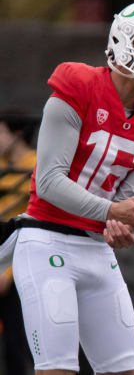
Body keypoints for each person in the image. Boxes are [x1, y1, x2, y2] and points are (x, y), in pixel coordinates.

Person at [8, 0, 134, 374]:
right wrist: (111, 212)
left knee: (123, 370)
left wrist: (120, 224)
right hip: (46, 240)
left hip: (94, 250)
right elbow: (50, 181)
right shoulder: (79, 84)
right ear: (123, 38)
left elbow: (125, 198)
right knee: (56, 369)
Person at [0, 109, 36, 374]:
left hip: (21, 265)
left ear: (17, 134)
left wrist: (7, 272)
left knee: (19, 344)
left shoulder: (36, 166)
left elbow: (30, 225)